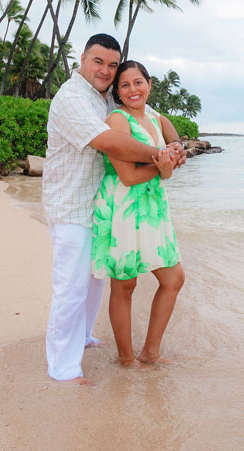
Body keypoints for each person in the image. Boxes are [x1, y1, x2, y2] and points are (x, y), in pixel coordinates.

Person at [42, 34, 185, 384]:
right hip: (71, 203)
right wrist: (161, 156)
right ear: (82, 59)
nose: (105, 70)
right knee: (71, 286)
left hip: (99, 204)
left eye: (111, 64)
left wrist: (177, 143)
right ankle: (62, 367)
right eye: (98, 62)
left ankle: (85, 335)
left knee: (92, 282)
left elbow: (156, 118)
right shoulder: (72, 98)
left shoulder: (105, 97)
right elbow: (108, 142)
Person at [91, 60, 185, 367]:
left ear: (149, 84)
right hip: (124, 207)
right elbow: (129, 177)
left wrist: (176, 147)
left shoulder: (153, 117)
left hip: (153, 208)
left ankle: (151, 353)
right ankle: (127, 359)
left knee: (173, 278)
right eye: (125, 85)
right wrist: (164, 166)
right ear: (117, 91)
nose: (133, 89)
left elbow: (166, 131)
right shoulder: (116, 120)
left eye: (138, 82)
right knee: (125, 284)